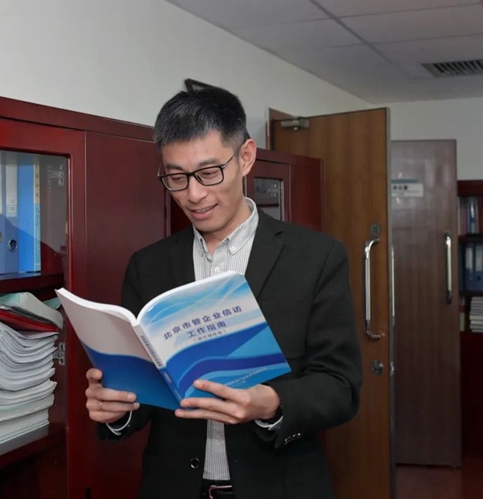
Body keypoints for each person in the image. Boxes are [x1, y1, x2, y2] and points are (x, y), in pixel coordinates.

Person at [84, 86, 362, 499]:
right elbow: (148, 394)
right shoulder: (148, 265)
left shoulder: (315, 258)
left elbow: (340, 386)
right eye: (176, 177)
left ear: (245, 157)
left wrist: (270, 402)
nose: (193, 194)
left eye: (209, 172)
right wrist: (116, 408)